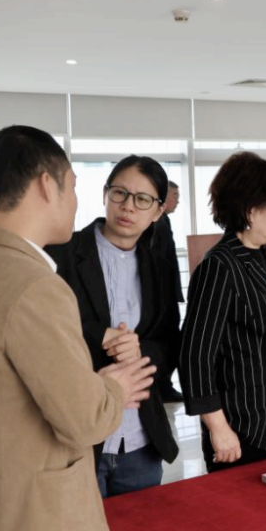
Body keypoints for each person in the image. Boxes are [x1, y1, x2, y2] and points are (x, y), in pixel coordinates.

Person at [0, 126, 155, 531]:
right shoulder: (36, 286)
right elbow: (84, 420)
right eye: (73, 186)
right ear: (45, 184)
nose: (76, 201)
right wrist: (114, 386)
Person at [47, 155, 180, 497]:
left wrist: (140, 350)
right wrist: (98, 335)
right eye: (120, 193)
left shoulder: (160, 268)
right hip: (77, 439)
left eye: (143, 199)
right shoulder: (61, 254)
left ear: (158, 211)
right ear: (105, 194)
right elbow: (41, 329)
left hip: (140, 440)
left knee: (142, 529)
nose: (128, 206)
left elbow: (169, 344)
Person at [179, 152, 266, 474]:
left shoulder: (265, 255)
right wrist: (218, 428)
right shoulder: (219, 266)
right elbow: (195, 356)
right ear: (250, 209)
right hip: (241, 425)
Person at [150, 179, 184, 401]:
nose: (177, 201)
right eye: (175, 196)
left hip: (166, 293)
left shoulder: (164, 221)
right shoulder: (156, 223)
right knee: (168, 339)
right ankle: (163, 385)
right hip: (160, 295)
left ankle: (164, 384)